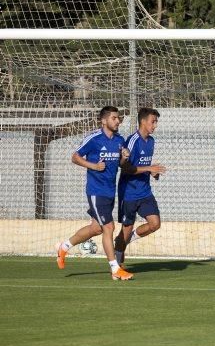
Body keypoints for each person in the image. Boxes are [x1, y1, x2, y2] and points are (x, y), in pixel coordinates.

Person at [56, 106, 134, 280]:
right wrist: (94, 166)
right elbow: (75, 157)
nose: (117, 121)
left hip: (109, 191)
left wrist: (124, 157)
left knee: (96, 228)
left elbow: (121, 164)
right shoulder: (94, 138)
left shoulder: (119, 140)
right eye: (114, 118)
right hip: (95, 190)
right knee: (109, 227)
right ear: (104, 120)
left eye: (118, 118)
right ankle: (115, 270)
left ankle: (64, 246)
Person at [113, 107, 167, 264]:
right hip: (129, 193)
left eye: (156, 122)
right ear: (143, 121)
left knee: (155, 224)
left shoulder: (151, 141)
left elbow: (144, 165)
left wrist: (153, 172)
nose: (155, 125)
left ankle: (126, 240)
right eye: (153, 121)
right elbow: (126, 168)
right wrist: (149, 168)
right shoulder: (132, 141)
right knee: (126, 229)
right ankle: (117, 264)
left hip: (144, 192)